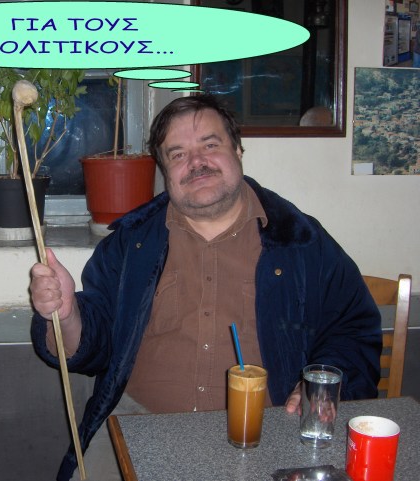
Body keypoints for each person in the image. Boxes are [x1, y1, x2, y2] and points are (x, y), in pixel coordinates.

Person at [30, 94, 381, 481]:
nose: (196, 162)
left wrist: (317, 388)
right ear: (164, 169)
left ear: (237, 150)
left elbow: (352, 329)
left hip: (265, 436)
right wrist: (66, 315)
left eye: (210, 145)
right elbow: (94, 345)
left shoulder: (301, 242)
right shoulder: (131, 245)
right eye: (178, 154)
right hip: (136, 426)